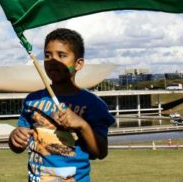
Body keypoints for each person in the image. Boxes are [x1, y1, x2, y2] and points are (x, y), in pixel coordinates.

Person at [8, 28, 115, 182]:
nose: (53, 61)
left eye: (62, 55)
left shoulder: (93, 104)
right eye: (47, 55)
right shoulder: (32, 100)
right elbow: (18, 145)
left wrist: (82, 125)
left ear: (78, 64)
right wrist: (14, 138)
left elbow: (100, 152)